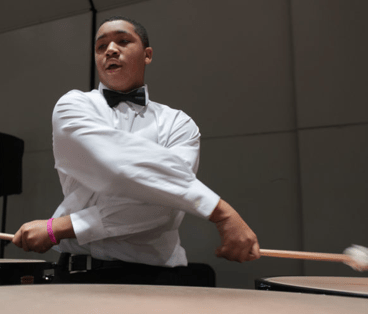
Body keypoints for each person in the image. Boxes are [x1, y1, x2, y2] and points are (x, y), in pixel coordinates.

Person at [13, 16, 260, 286]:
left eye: (122, 41)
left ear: (147, 55)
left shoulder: (179, 124)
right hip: (77, 275)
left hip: (157, 278)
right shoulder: (72, 105)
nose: (110, 50)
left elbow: (164, 205)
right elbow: (118, 167)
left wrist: (60, 227)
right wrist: (219, 210)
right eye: (101, 46)